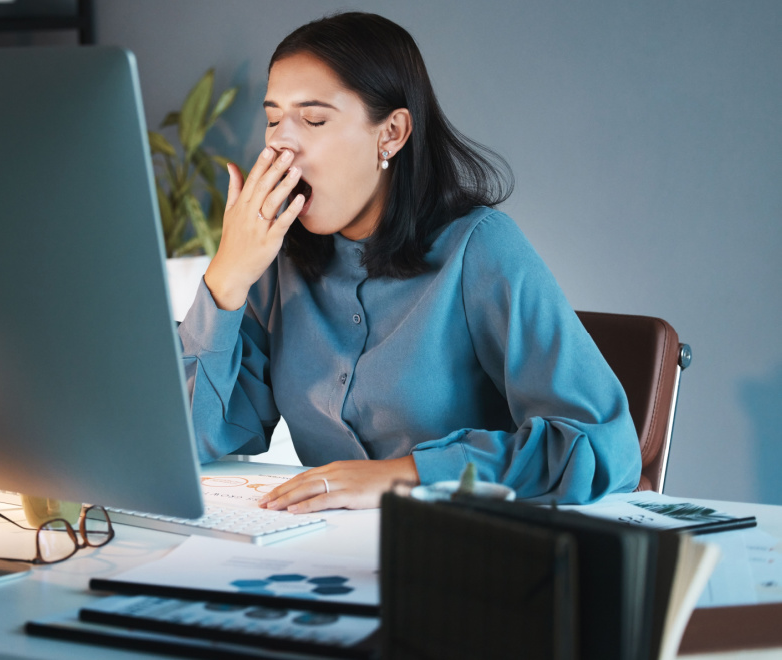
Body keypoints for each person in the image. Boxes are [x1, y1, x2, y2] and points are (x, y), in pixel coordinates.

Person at [177, 12, 641, 513]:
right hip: (321, 554)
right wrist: (228, 275)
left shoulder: (479, 248)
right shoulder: (276, 258)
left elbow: (602, 448)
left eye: (313, 119)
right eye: (272, 119)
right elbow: (193, 436)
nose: (279, 144)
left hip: (461, 555)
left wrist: (406, 476)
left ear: (391, 134)